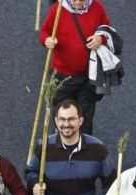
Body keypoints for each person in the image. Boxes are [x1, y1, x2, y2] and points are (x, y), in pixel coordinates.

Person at [40, 0, 111, 135]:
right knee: (63, 117)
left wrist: (100, 39)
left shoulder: (97, 7)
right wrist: (47, 40)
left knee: (85, 118)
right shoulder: (58, 9)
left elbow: (107, 30)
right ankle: (62, 148)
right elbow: (44, 31)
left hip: (88, 75)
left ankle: (83, 151)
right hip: (62, 75)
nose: (77, 2)